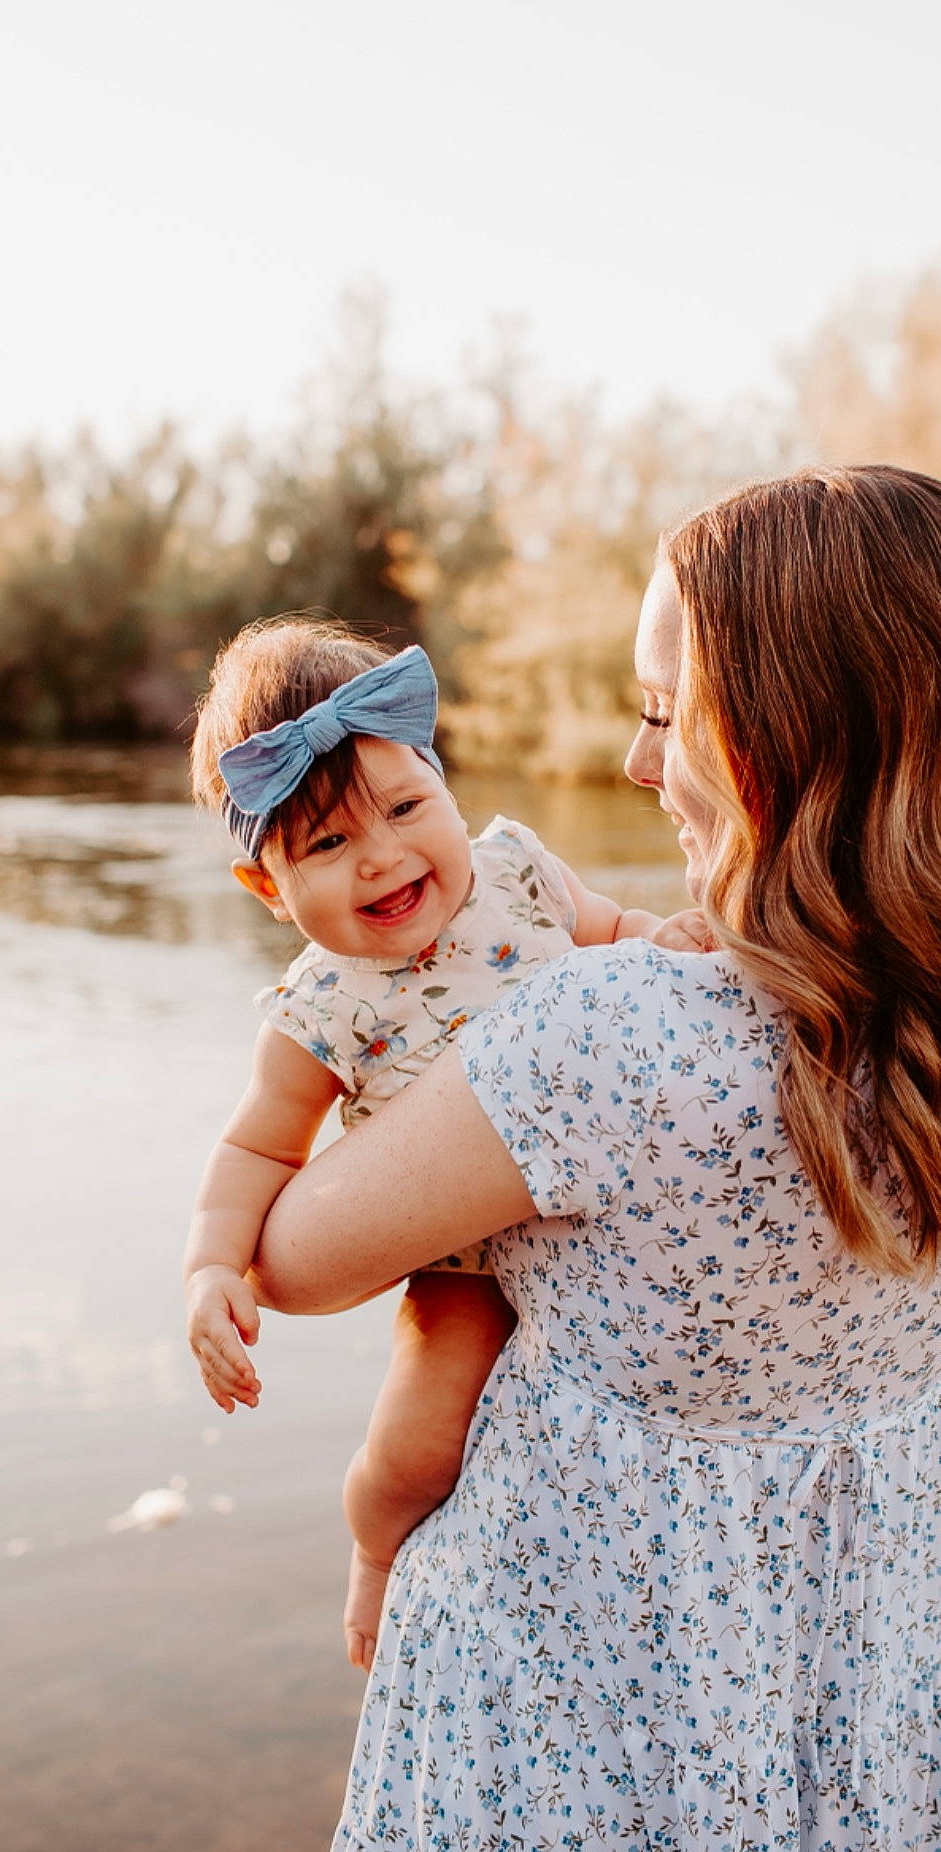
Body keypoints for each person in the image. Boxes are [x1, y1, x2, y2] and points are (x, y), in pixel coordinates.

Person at [249, 468, 941, 1852]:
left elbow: (295, 1258)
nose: (633, 765)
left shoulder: (613, 1039)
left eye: (664, 713)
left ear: (788, 733)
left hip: (566, 1731)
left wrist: (372, 1046)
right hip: (848, 1704)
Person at [183, 619, 702, 1668]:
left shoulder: (516, 870)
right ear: (268, 888)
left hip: (599, 1222)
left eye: (407, 806)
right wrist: (211, 1265)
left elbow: (610, 932)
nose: (382, 856)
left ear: (445, 780)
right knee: (423, 1450)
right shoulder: (317, 1007)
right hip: (462, 1264)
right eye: (326, 844)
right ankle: (378, 1552)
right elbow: (256, 1150)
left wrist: (678, 946)